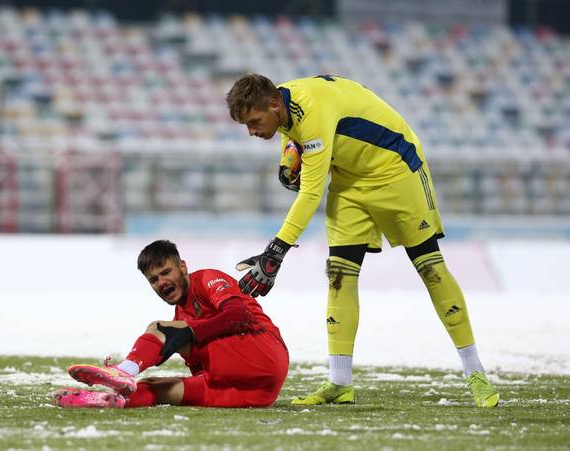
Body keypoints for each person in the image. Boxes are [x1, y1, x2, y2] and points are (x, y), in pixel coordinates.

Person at [226, 74, 499, 408]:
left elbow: (311, 192)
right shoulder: (281, 102)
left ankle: (476, 374)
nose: (252, 132)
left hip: (396, 169)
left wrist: (275, 252)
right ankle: (340, 382)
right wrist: (289, 152)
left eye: (254, 123)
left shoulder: (312, 110)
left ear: (272, 105)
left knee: (430, 267)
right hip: (349, 178)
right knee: (339, 276)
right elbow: (296, 131)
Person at [53, 239, 289, 409]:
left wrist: (188, 332)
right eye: (153, 280)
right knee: (156, 388)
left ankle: (125, 371)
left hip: (264, 352)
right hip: (259, 393)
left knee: (160, 329)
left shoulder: (206, 279)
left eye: (166, 272)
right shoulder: (180, 318)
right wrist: (185, 335)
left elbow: (239, 315)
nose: (161, 282)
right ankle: (105, 400)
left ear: (183, 267)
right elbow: (205, 370)